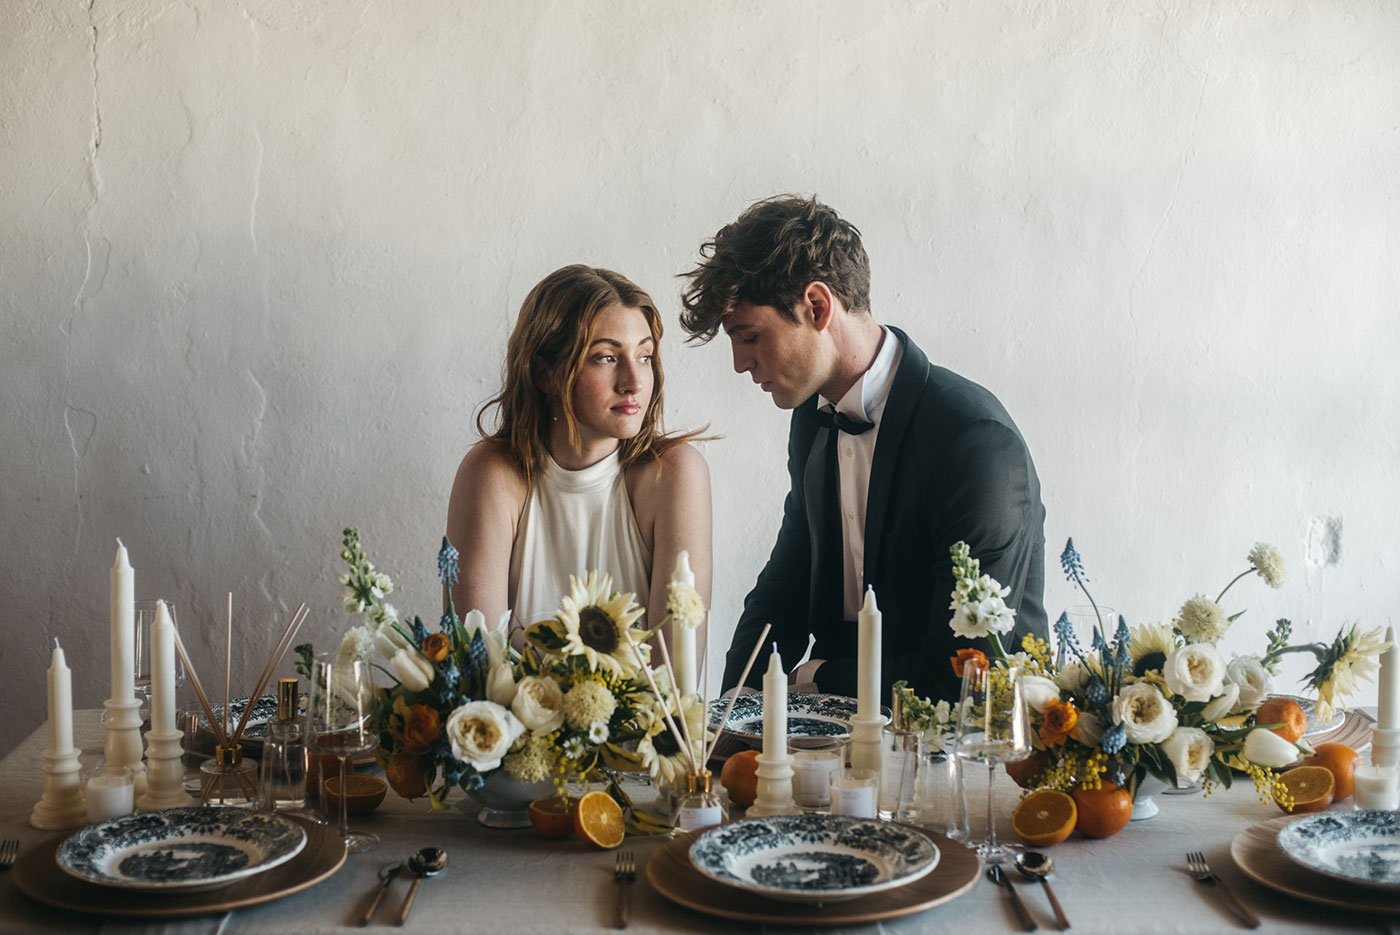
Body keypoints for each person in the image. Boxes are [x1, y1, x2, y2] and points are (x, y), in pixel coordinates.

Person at [679, 196, 1045, 704]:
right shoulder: (811, 419)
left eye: (750, 337)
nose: (741, 364)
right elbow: (783, 589)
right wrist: (730, 720)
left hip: (967, 747)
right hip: (835, 738)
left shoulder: (973, 442)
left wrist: (818, 678)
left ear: (817, 306)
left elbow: (964, 677)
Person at [447, 264, 712, 649]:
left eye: (645, 356)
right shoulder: (493, 473)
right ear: (545, 374)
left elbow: (674, 685)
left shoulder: (673, 475)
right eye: (606, 357)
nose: (634, 382)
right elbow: (475, 670)